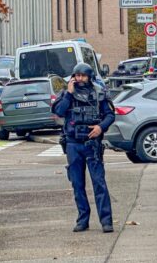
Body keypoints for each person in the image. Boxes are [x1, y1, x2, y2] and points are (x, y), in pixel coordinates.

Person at [51, 63, 115, 233]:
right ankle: (82, 220)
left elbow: (110, 115)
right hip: (73, 143)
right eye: (77, 76)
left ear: (89, 77)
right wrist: (69, 94)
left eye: (83, 76)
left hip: (92, 144)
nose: (79, 79)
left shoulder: (98, 93)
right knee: (77, 184)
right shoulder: (67, 94)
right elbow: (59, 112)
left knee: (99, 183)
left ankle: (106, 221)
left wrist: (100, 127)